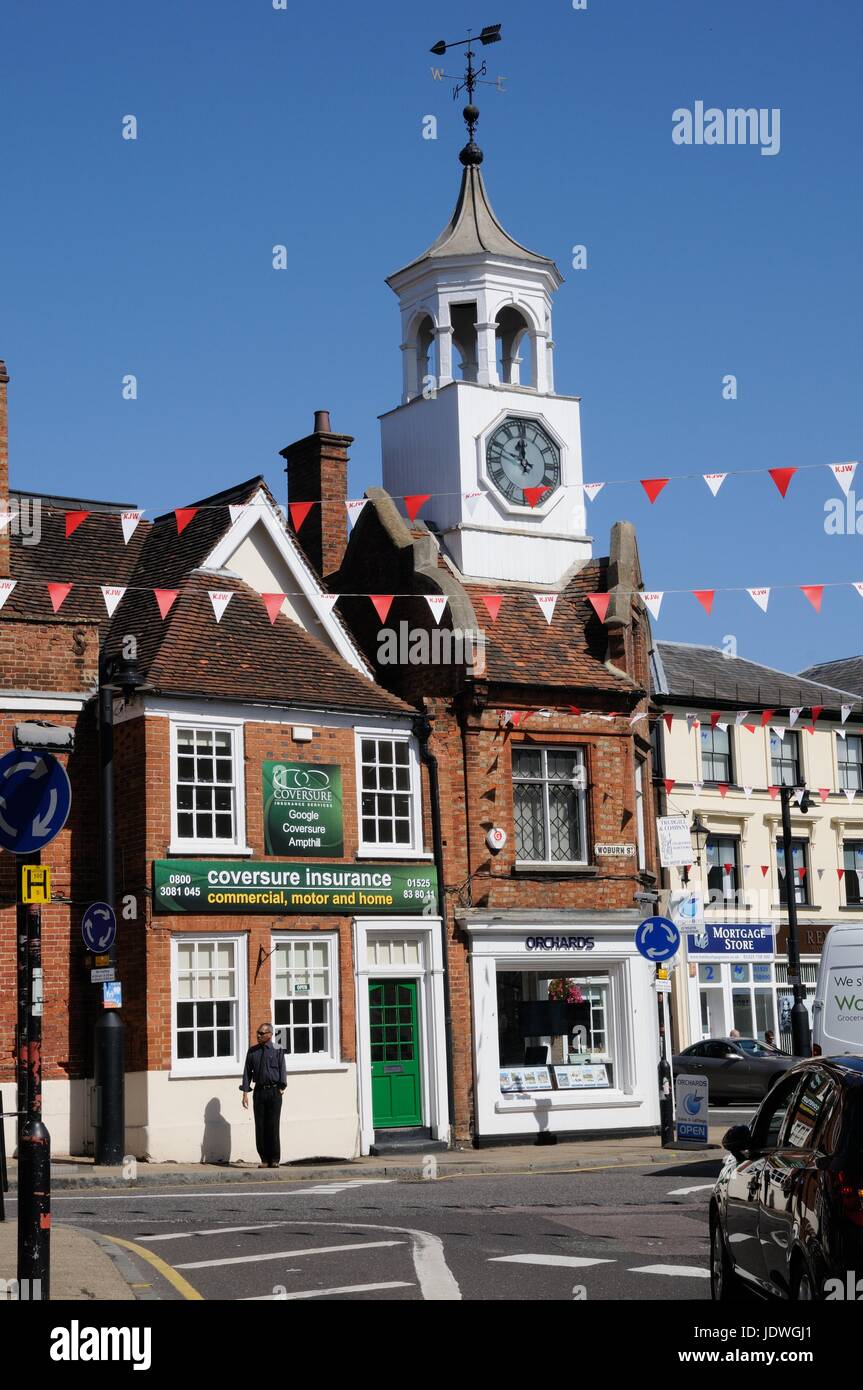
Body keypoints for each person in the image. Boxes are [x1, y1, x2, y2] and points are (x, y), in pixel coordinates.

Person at [240, 1023, 287, 1168]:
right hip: (259, 1091)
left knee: (273, 1125)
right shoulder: (252, 1051)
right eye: (257, 1033)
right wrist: (245, 1093)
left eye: (261, 1033)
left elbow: (282, 1069)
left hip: (274, 1091)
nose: (258, 1035)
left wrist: (281, 1087)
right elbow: (247, 1072)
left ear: (269, 1035)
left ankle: (274, 1159)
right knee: (260, 1127)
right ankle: (264, 1159)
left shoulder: (278, 1049)